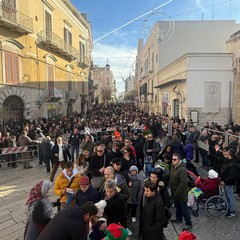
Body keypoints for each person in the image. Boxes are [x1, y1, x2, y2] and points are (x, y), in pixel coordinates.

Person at [168, 153, 193, 231]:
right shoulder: (173, 166)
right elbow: (171, 176)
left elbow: (183, 182)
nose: (173, 161)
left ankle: (189, 223)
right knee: (177, 206)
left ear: (179, 160)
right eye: (172, 159)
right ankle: (178, 218)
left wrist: (177, 192)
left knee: (184, 208)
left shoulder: (182, 169)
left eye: (174, 159)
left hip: (180, 192)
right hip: (174, 190)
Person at [219, 148, 239, 217]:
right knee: (227, 196)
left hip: (228, 182)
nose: (226, 153)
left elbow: (233, 176)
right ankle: (227, 207)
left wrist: (225, 181)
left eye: (227, 152)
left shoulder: (233, 164)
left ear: (230, 154)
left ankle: (231, 211)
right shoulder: (229, 160)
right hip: (226, 181)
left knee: (230, 196)